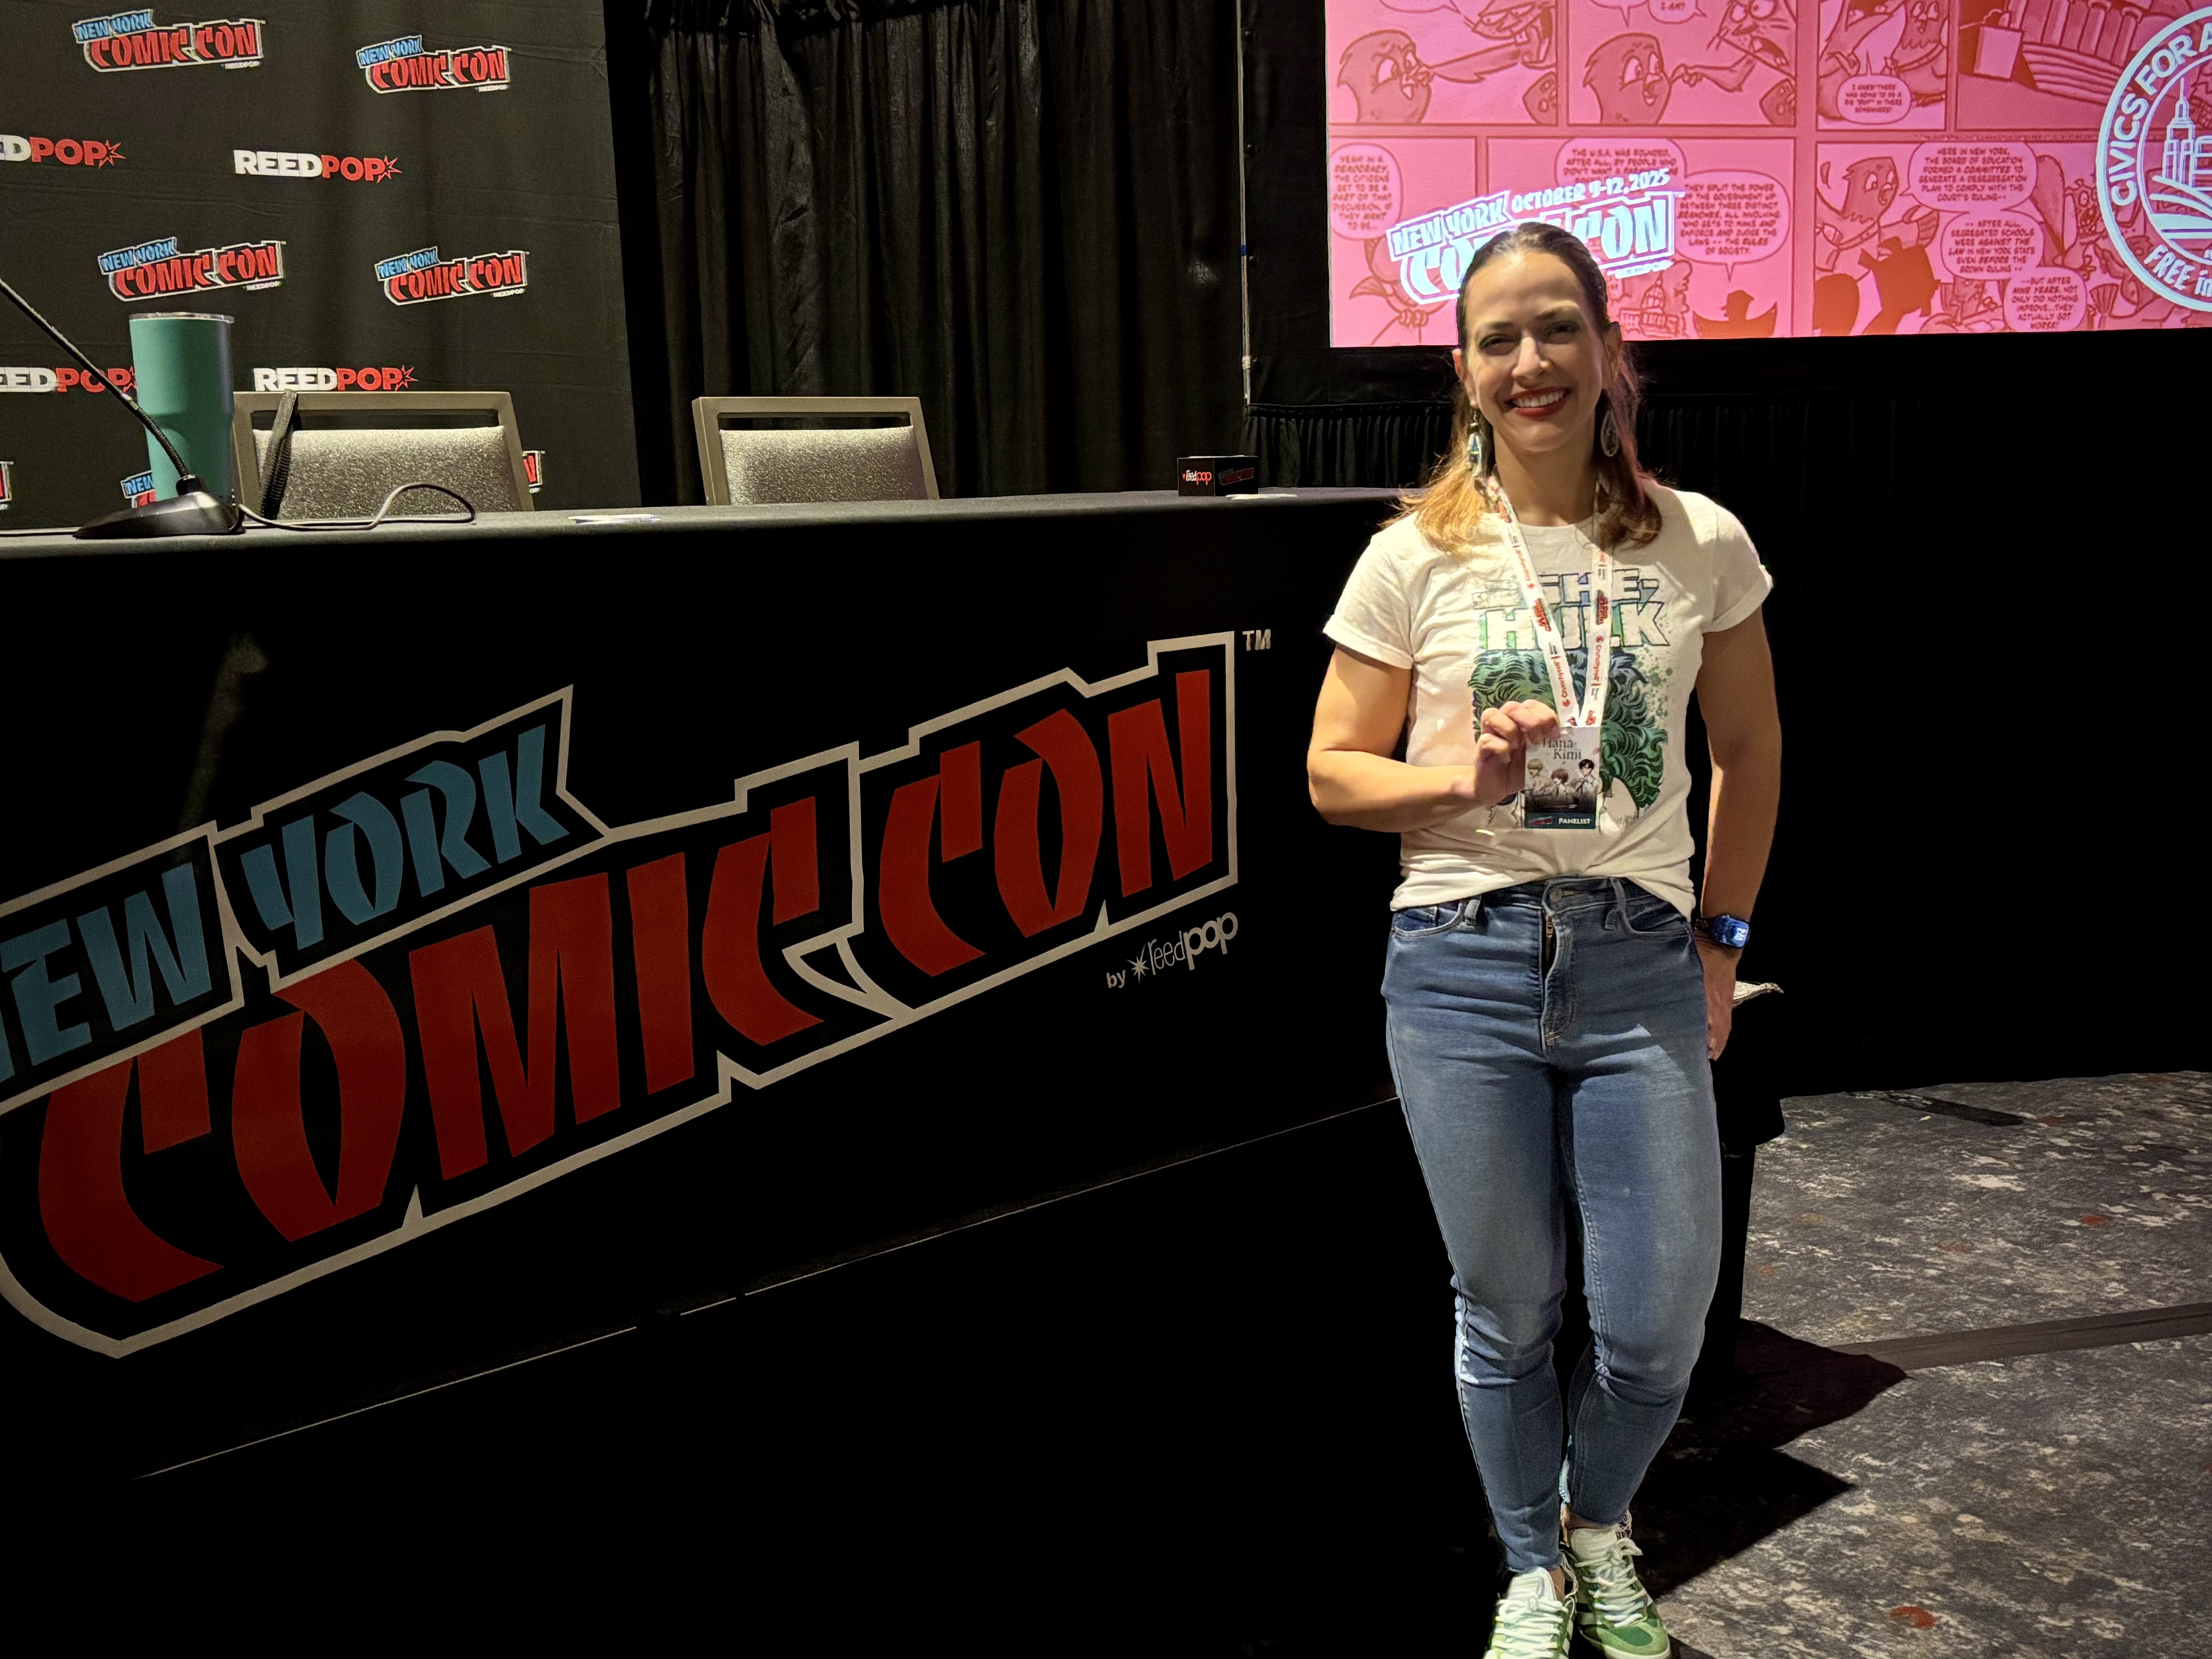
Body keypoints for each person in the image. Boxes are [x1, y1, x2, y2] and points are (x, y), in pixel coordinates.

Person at [1305, 220, 1781, 1659]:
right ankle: (1531, 1564)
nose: (1532, 361)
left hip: (1640, 956)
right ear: (1464, 370)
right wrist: (1463, 778)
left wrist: (1722, 941)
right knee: (1508, 1308)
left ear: (1608, 348)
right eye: (1499, 337)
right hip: (1461, 958)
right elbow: (1333, 773)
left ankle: (1592, 1521)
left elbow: (1750, 752)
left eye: (1559, 326)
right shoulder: (1412, 556)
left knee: (1659, 1322)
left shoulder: (1701, 540)